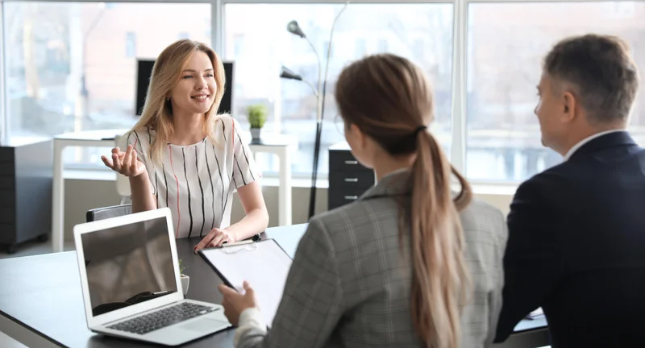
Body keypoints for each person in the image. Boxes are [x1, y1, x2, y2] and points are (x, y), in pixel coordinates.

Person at [219, 54, 507, 348]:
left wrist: (249, 318)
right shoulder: (490, 223)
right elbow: (488, 334)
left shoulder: (334, 235)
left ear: (355, 133)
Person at [495, 34, 644, 347]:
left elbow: (493, 317)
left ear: (567, 105)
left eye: (540, 96)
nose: (536, 111)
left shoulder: (548, 196)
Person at [101, 39, 268, 249]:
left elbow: (259, 213)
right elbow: (147, 231)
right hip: (161, 261)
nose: (202, 84)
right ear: (167, 88)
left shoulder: (229, 130)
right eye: (188, 76)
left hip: (213, 257)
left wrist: (229, 234)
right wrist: (139, 176)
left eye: (208, 74)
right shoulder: (138, 142)